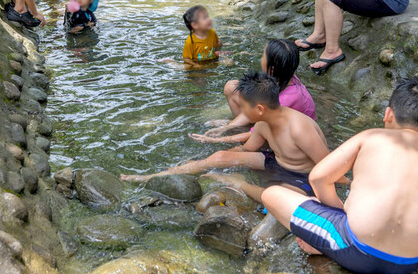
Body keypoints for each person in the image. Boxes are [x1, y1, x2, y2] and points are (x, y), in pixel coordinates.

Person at [260, 78, 418, 274]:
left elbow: (319, 177)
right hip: (409, 263)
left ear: (387, 114)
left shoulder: (370, 137)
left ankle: (325, 246)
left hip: (354, 250)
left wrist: (338, 213)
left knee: (271, 193)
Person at [121, 72, 330, 199]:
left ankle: (235, 182)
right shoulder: (263, 122)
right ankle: (154, 177)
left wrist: (346, 189)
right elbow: (247, 150)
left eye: (244, 107)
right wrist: (210, 158)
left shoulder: (300, 129)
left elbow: (330, 166)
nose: (241, 112)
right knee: (220, 156)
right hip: (275, 162)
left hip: (302, 177)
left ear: (259, 108)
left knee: (272, 197)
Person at [193, 39, 316, 143]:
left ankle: (242, 131)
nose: (261, 58)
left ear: (271, 68)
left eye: (263, 55)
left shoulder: (288, 98)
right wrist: (228, 126)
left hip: (288, 137)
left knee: (250, 139)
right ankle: (241, 127)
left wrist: (223, 138)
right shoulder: (283, 75)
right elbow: (256, 102)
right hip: (269, 118)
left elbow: (260, 128)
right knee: (232, 87)